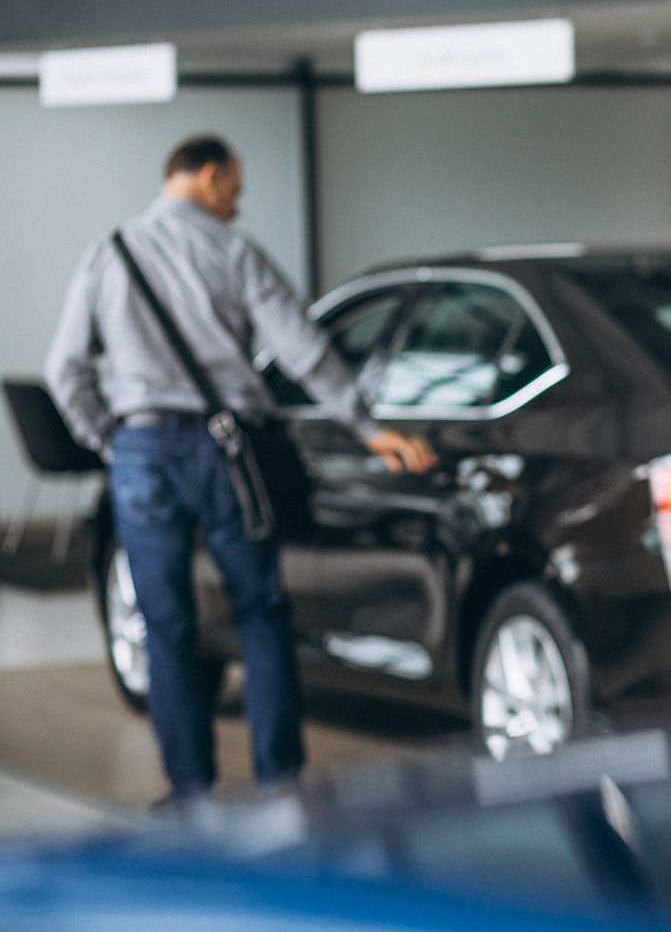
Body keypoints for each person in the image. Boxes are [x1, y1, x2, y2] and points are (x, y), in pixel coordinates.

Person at [46, 134, 437, 802]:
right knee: (259, 613)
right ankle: (280, 784)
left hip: (140, 454)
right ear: (205, 177)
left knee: (165, 624)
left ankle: (192, 794)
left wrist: (111, 440)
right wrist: (369, 427)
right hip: (227, 450)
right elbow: (301, 349)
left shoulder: (105, 255)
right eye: (233, 189)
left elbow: (65, 369)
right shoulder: (233, 252)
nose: (236, 204)